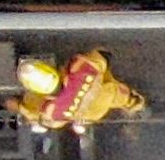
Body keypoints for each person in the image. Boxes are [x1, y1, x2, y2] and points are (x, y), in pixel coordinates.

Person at [8, 51, 144, 134]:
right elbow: (104, 55)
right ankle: (136, 104)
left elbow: (17, 107)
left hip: (93, 113)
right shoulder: (80, 68)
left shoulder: (50, 111)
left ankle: (136, 105)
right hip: (107, 97)